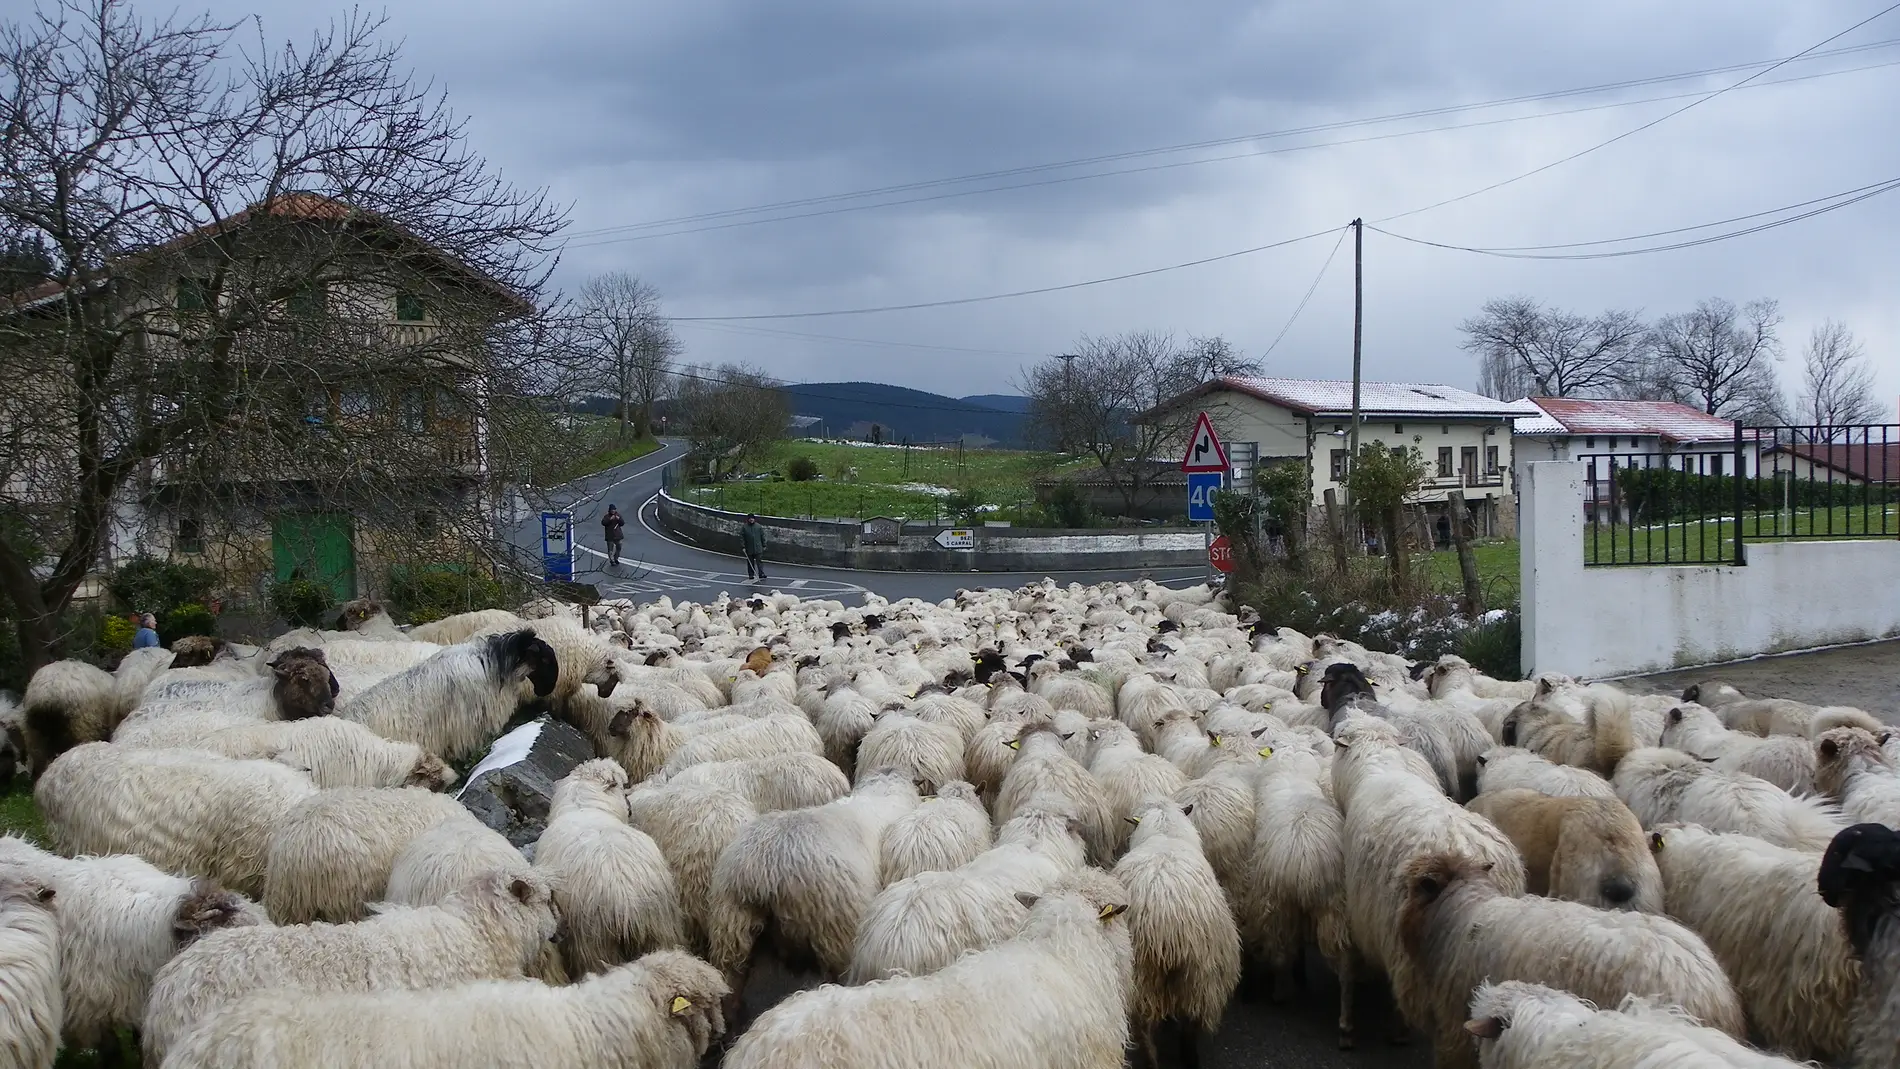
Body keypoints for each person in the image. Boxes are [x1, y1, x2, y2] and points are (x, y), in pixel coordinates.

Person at [741, 514, 768, 580]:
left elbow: (762, 536)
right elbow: (742, 538)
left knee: (759, 561)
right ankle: (751, 574)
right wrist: (743, 547)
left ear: (754, 519)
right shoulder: (744, 527)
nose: (751, 520)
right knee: (750, 562)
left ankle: (761, 573)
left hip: (758, 547)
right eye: (750, 518)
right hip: (749, 548)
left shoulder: (758, 526)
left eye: (752, 518)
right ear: (748, 519)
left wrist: (764, 545)